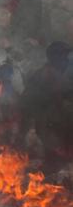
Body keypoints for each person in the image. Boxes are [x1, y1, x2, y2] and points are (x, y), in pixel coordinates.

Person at [19, 41, 73, 174]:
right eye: (63, 56)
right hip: (49, 123)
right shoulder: (41, 75)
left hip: (66, 121)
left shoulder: (68, 72)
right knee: (54, 155)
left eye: (66, 55)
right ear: (53, 57)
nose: (66, 59)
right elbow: (27, 100)